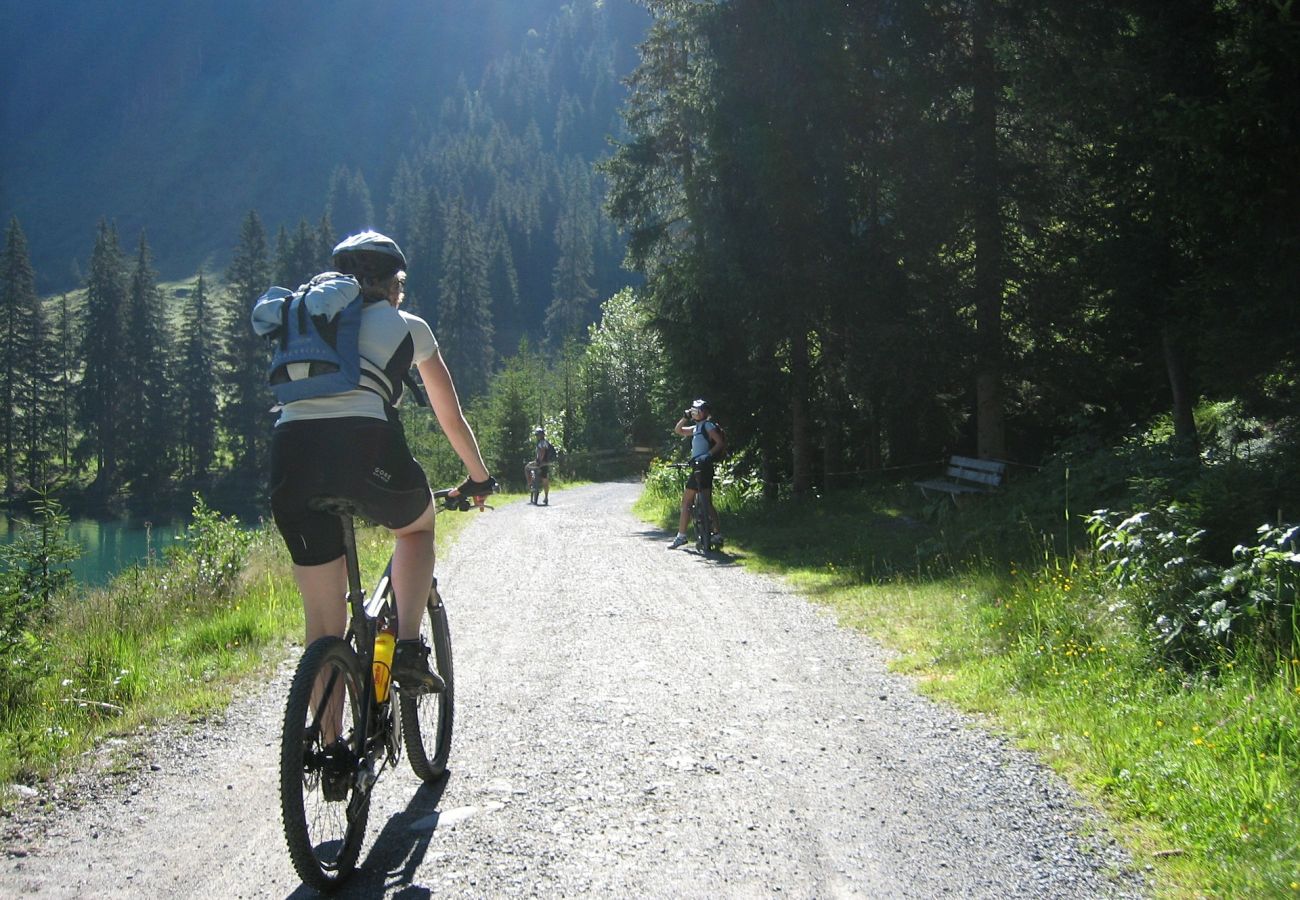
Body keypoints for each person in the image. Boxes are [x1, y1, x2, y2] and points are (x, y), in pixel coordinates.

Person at [257, 230, 494, 694]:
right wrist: (479, 478)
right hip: (365, 450)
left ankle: (329, 756)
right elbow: (450, 416)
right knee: (416, 527)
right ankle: (407, 648)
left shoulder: (307, 326)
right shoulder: (408, 326)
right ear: (394, 284)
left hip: (291, 457)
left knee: (322, 630)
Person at [668, 398, 726, 549]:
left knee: (687, 501)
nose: (694, 412)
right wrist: (685, 417)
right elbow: (678, 430)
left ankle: (681, 536)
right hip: (703, 466)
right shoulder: (697, 428)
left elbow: (719, 443)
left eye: (696, 410)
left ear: (704, 412)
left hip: (702, 466)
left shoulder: (707, 425)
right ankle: (717, 534)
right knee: (706, 501)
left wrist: (707, 455)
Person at [527, 426, 554, 505]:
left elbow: (542, 453)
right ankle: (546, 497)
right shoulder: (545, 442)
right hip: (546, 463)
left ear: (541, 435)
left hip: (542, 463)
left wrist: (539, 462)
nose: (537, 436)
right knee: (545, 478)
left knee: (527, 467)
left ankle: (530, 484)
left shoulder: (542, 443)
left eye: (538, 435)